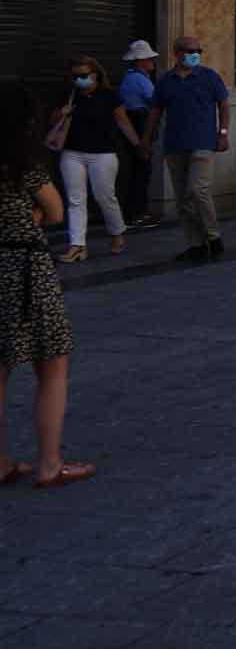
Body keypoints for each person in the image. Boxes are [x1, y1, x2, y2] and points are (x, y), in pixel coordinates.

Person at [0, 80, 93, 488]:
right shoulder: (23, 164)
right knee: (51, 366)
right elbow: (55, 211)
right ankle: (50, 464)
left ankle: (0, 462)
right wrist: (30, 219)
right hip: (27, 267)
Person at [144, 34, 230, 264]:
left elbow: (223, 103)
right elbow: (155, 111)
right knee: (183, 198)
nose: (195, 55)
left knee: (198, 189)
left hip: (203, 142)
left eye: (198, 51)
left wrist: (223, 132)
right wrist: (147, 139)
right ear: (177, 53)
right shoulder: (165, 81)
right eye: (190, 51)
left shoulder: (209, 77)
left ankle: (213, 236)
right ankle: (196, 243)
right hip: (175, 144)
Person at [49, 55, 141, 263]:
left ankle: (117, 232)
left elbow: (123, 122)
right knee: (75, 200)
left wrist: (138, 145)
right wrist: (61, 113)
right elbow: (53, 121)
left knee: (104, 197)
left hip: (103, 154)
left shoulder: (109, 96)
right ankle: (77, 246)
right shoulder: (69, 95)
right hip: (72, 153)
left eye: (83, 75)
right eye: (75, 76)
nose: (78, 80)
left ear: (95, 74)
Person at [115, 40, 158, 227]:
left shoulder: (129, 77)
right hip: (140, 123)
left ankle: (133, 211)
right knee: (142, 170)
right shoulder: (139, 80)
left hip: (136, 122)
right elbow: (155, 101)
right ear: (140, 61)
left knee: (137, 169)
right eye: (149, 58)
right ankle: (136, 213)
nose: (153, 62)